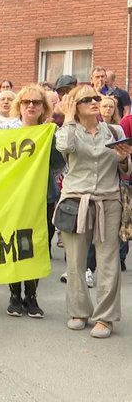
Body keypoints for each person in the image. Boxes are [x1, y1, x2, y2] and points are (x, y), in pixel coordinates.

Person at [55, 85, 132, 338]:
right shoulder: (70, 130)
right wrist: (67, 119)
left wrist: (123, 159)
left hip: (109, 201)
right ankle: (78, 311)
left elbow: (126, 170)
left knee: (108, 259)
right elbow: (63, 147)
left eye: (96, 97)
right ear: (75, 106)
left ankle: (106, 317)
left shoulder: (114, 130)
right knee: (76, 260)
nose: (94, 102)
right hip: (77, 201)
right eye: (86, 99)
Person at [0, 85, 64, 318]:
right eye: (26, 102)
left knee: (37, 246)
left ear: (44, 107)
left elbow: (58, 165)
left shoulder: (50, 132)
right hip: (14, 197)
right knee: (15, 245)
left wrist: (51, 140)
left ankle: (32, 295)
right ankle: (15, 295)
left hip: (43, 197)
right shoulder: (6, 130)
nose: (31, 106)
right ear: (19, 105)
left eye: (36, 102)